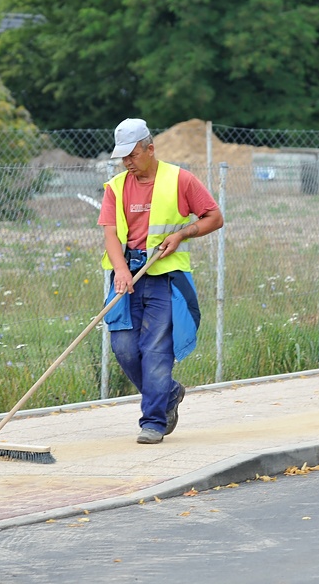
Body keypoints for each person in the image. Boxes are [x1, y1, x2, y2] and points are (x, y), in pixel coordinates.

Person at [98, 118, 223, 444]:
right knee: (124, 347)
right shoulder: (115, 187)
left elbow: (214, 217)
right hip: (127, 277)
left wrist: (183, 233)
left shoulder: (180, 180)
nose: (127, 162)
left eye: (132, 155)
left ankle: (153, 421)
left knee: (155, 351)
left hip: (164, 278)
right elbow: (110, 234)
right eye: (123, 157)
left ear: (150, 148)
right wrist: (121, 270)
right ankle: (168, 393)